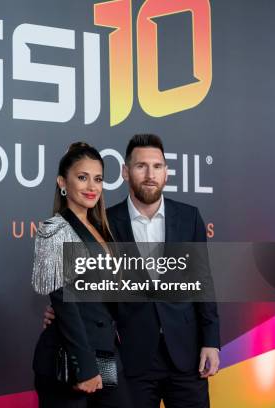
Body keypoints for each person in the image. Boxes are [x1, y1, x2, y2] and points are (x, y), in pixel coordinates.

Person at [44, 134, 220, 408]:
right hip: (131, 358)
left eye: (157, 166)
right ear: (126, 172)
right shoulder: (103, 224)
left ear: (166, 173)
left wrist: (211, 341)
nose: (150, 174)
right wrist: (66, 309)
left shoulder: (189, 217)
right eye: (141, 166)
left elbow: (203, 280)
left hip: (186, 356)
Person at [32, 142, 133, 408]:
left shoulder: (103, 230)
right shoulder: (52, 230)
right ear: (62, 182)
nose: (92, 187)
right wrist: (85, 368)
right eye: (82, 177)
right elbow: (64, 303)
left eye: (98, 179)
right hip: (70, 359)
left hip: (107, 354)